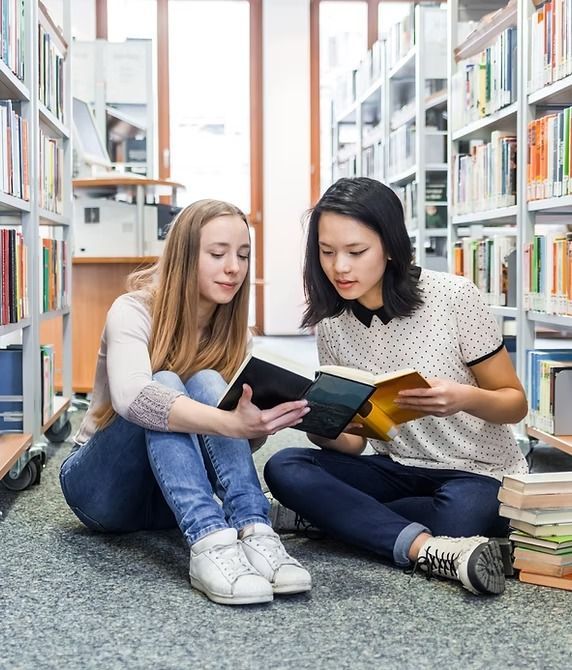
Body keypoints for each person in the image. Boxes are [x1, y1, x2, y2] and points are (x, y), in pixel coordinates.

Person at [264, 177, 529, 596]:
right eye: (327, 252)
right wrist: (319, 421)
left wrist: (464, 398)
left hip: (478, 472)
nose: (339, 267)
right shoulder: (332, 325)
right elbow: (352, 447)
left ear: (389, 247)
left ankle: (334, 517)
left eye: (356, 252)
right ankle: (425, 547)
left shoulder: (454, 296)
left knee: (461, 516)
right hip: (398, 468)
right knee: (285, 467)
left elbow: (515, 404)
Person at [60, 199, 312, 606]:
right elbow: (134, 399)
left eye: (243, 255)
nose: (234, 267)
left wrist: (258, 425)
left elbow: (228, 449)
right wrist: (228, 423)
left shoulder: (234, 334)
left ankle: (253, 528)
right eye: (217, 254)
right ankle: (208, 538)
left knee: (209, 380)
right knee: (163, 382)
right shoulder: (133, 310)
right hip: (100, 490)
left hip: (172, 497)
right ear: (183, 256)